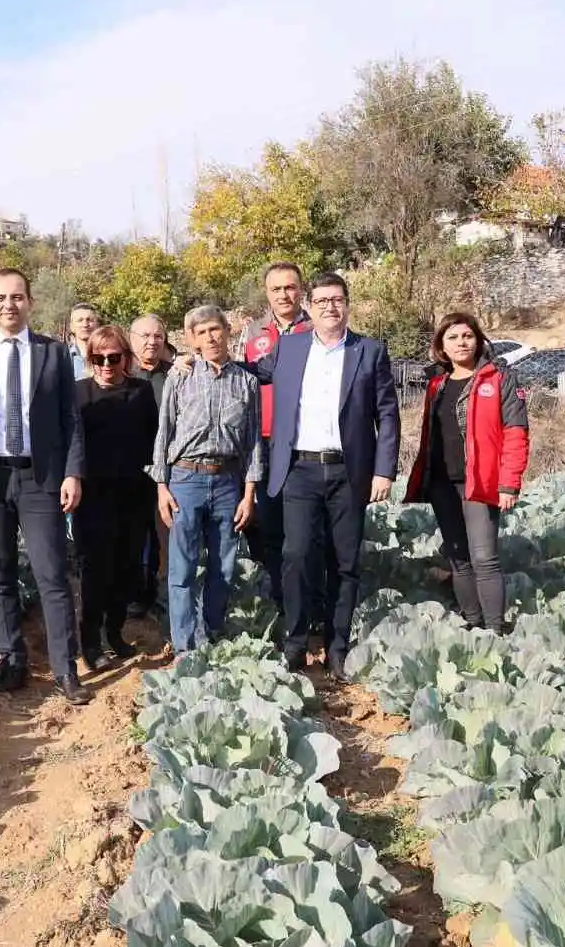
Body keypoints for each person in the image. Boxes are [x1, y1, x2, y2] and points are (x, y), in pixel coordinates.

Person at [0, 268, 91, 705]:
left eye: (17, 297)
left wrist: (73, 471)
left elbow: (71, 419)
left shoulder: (53, 354)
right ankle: (12, 661)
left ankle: (66, 670)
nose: (9, 305)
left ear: (30, 302)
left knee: (52, 576)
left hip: (40, 477)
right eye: (0, 298)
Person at [253, 273, 399, 679]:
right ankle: (296, 642)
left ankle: (338, 646)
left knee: (345, 562)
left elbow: (387, 415)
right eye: (320, 301)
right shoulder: (290, 347)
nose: (329, 307)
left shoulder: (369, 351)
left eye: (336, 300)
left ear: (347, 303)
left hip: (348, 472)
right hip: (298, 469)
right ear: (309, 307)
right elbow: (249, 374)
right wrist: (194, 357)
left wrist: (383, 470)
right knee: (296, 555)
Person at [404, 313, 530, 634]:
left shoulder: (498, 378)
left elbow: (516, 432)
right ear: (441, 347)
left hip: (481, 482)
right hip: (442, 484)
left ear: (478, 340)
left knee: (484, 558)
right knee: (459, 559)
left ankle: (495, 629)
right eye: (453, 337)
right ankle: (472, 623)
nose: (461, 343)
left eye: (467, 336)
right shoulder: (437, 384)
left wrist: (509, 483)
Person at [151, 305, 262, 657]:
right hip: (185, 479)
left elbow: (253, 442)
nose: (210, 337)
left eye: (215, 329)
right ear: (192, 339)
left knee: (224, 568)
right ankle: (184, 646)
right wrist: (161, 487)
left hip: (229, 482)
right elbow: (163, 433)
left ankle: (211, 633)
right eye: (201, 332)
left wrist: (249, 494)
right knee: (181, 569)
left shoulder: (246, 381)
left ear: (228, 331)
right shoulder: (180, 376)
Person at [75, 324, 158, 665]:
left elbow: (155, 438)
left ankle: (115, 631)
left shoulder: (142, 392)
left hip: (134, 493)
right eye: (99, 358)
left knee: (126, 567)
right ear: (90, 359)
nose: (106, 364)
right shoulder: (78, 393)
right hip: (92, 496)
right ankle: (91, 642)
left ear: (126, 358)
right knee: (95, 569)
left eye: (113, 357)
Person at [240, 263, 316, 609]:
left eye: (290, 288)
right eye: (276, 289)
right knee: (271, 527)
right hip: (266, 441)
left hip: (307, 442)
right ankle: (281, 600)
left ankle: (312, 602)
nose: (284, 295)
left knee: (309, 532)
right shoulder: (253, 332)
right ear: (266, 293)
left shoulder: (318, 329)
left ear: (301, 290)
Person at [129, 313, 173, 616]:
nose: (151, 342)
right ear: (132, 339)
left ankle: (163, 591)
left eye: (157, 336)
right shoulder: (119, 373)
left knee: (165, 534)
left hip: (167, 470)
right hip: (131, 467)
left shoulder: (177, 374)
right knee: (133, 533)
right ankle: (134, 593)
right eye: (144, 336)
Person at [66, 302, 101, 380]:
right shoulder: (63, 357)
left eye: (90, 320)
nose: (85, 325)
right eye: (80, 320)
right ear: (72, 327)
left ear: (97, 325)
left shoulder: (107, 355)